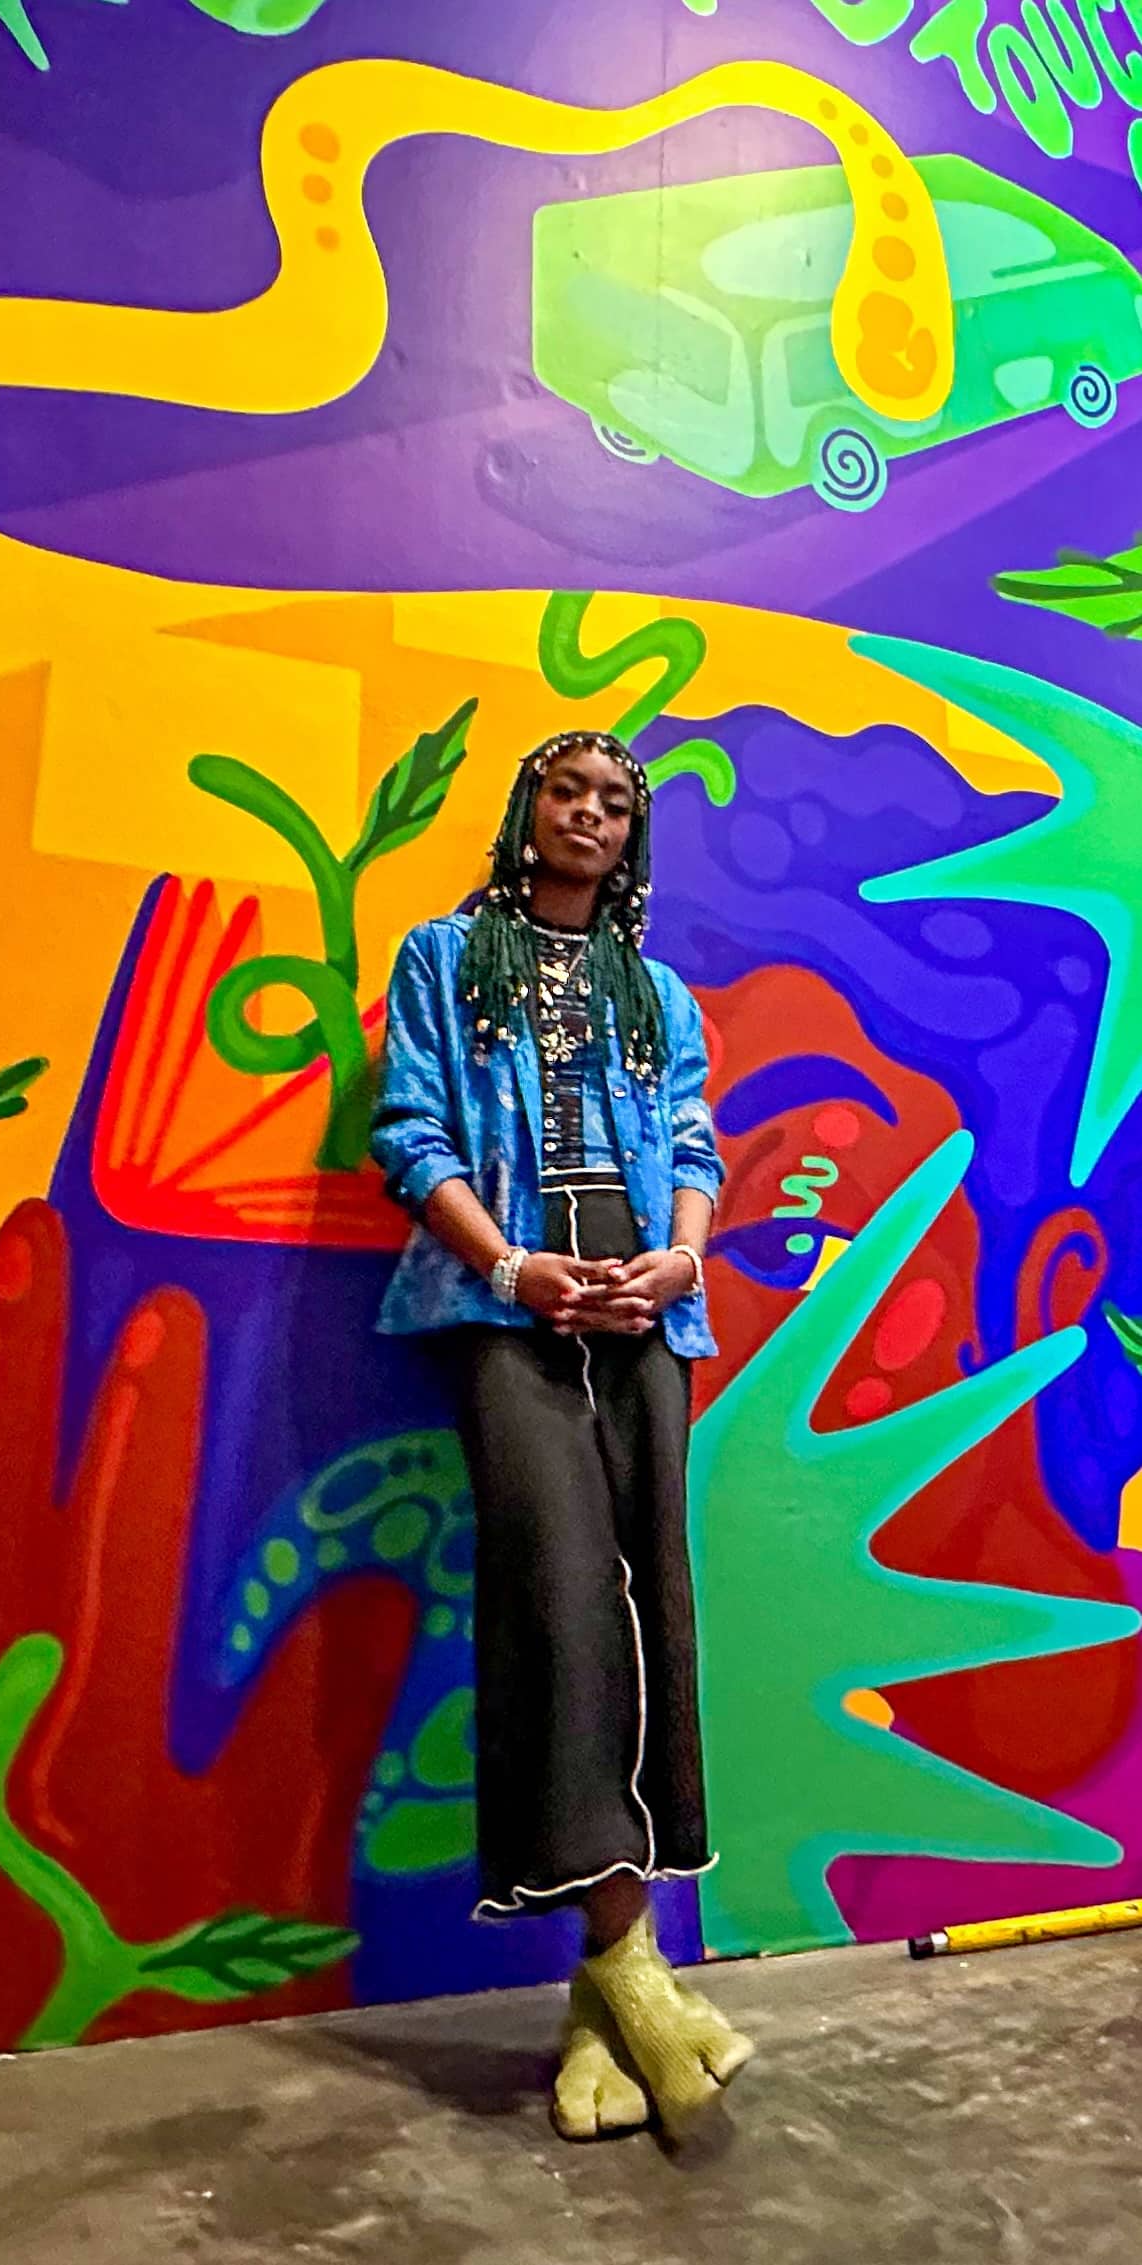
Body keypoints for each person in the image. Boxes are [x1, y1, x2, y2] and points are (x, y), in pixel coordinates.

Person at [370, 727, 753, 2142]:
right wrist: (509, 1269)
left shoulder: (657, 993)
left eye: (612, 802)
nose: (588, 814)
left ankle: (605, 2000)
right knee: (556, 1612)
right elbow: (409, 1134)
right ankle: (630, 1959)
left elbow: (696, 1143)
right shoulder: (441, 959)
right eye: (565, 791)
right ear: (525, 810)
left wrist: (682, 1255)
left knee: (655, 1619)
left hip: (646, 1321)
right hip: (512, 1317)